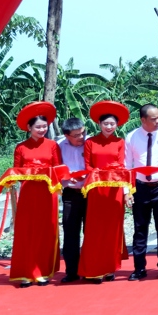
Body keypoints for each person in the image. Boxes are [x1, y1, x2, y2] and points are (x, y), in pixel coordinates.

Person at [9, 102, 63, 287]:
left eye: (44, 126)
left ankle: (42, 272)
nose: (42, 129)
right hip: (29, 193)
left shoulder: (53, 146)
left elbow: (59, 169)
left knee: (45, 232)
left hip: (48, 194)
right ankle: (26, 273)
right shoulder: (21, 147)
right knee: (27, 232)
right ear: (29, 128)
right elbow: (17, 171)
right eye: (38, 127)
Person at [79, 100, 130, 283]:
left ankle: (110, 267)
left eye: (112, 124)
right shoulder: (90, 142)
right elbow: (88, 166)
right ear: (98, 124)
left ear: (117, 125)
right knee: (94, 229)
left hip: (114, 191)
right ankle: (92, 269)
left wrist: (125, 192)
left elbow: (123, 166)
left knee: (113, 229)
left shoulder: (120, 142)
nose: (109, 126)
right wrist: (103, 173)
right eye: (105, 123)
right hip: (96, 190)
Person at [125, 103, 158, 280]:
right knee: (140, 229)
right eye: (153, 119)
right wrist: (127, 191)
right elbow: (127, 165)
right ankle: (139, 268)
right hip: (140, 188)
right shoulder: (131, 137)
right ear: (143, 119)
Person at [57, 117, 87, 283]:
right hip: (70, 192)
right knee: (70, 232)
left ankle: (90, 269)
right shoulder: (60, 146)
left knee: (90, 232)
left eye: (82, 133)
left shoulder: (90, 143)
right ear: (67, 135)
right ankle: (72, 271)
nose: (81, 137)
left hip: (89, 192)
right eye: (76, 135)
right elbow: (56, 168)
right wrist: (66, 178)